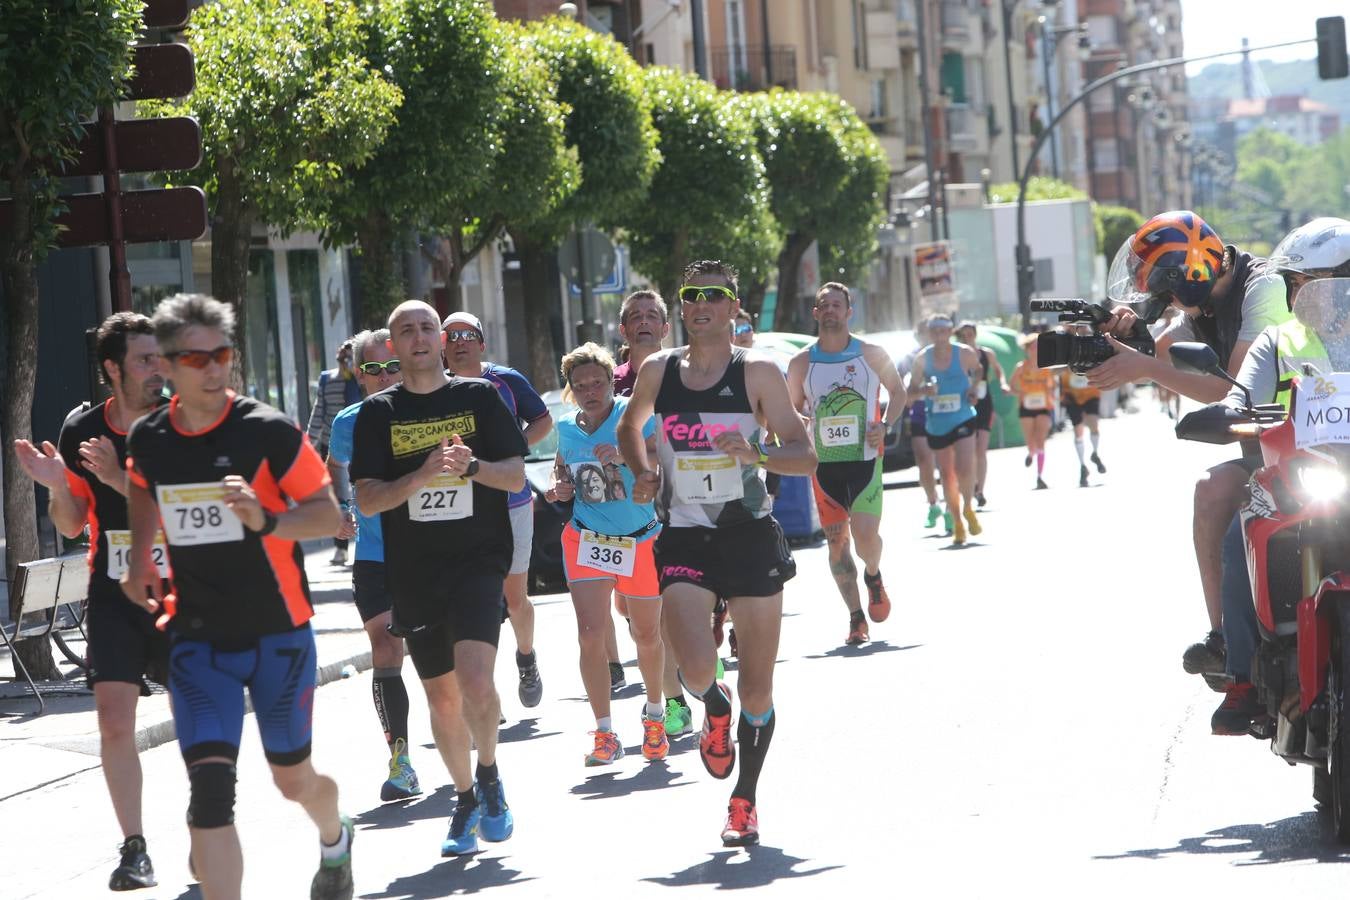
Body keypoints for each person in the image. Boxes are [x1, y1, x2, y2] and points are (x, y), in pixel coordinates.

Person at [119, 294, 351, 900]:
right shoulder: (150, 438)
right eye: (197, 358)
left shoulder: (266, 431)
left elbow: (328, 515)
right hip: (197, 638)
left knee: (293, 780)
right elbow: (142, 488)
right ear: (166, 365)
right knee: (210, 794)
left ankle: (335, 836)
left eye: (222, 354)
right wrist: (143, 552)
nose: (214, 368)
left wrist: (266, 517)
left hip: (279, 633)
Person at [618, 259, 817, 847]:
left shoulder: (756, 372)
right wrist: (644, 470)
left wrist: (756, 457)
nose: (700, 304)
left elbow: (804, 455)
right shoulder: (658, 371)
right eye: (691, 295)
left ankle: (745, 800)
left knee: (760, 687)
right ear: (682, 307)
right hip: (684, 533)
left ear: (733, 307)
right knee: (695, 663)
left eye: (714, 295)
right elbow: (632, 427)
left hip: (749, 534)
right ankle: (712, 703)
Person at [351, 301, 527, 857]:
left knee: (476, 681)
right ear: (394, 347)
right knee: (443, 699)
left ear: (443, 340)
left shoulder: (478, 398)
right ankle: (467, 797)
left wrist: (471, 468)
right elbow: (367, 498)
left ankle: (491, 774)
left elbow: (516, 475)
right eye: (407, 330)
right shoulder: (377, 414)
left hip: (478, 559)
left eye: (428, 327)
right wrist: (422, 473)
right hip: (414, 570)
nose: (420, 337)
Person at [1087, 211, 1290, 694]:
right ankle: (1224, 641)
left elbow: (1234, 386)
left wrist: (1143, 367)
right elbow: (1155, 349)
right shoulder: (1200, 310)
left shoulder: (1262, 290)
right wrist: (1110, 340)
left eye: (1165, 288)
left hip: (1310, 438)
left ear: (1193, 271)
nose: (1165, 301)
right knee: (1210, 490)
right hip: (1265, 449)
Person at [12, 313, 168, 891]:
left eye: (162, 357)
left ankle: (210, 824)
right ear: (113, 369)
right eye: (146, 360)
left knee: (205, 711)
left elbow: (185, 509)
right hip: (114, 586)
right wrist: (57, 484)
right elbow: (74, 522)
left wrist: (117, 479)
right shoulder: (82, 428)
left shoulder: (182, 422)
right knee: (112, 721)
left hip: (186, 586)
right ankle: (135, 848)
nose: (159, 369)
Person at [1208, 217, 1350, 734]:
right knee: (1237, 535)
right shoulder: (1277, 340)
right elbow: (1241, 393)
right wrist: (1228, 412)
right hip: (1302, 475)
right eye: (1296, 285)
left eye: (1312, 285)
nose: (1302, 296)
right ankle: (1244, 680)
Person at [545, 343, 669, 765]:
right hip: (587, 539)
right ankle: (604, 732)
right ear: (571, 390)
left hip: (640, 537)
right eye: (580, 386)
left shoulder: (629, 415)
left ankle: (655, 716)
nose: (590, 390)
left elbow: (661, 458)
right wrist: (559, 486)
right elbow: (562, 469)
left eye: (597, 382)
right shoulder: (565, 427)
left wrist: (624, 455)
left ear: (609, 381)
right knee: (589, 634)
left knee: (646, 635)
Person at [325, 328, 421, 801]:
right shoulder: (349, 421)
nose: (383, 377)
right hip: (375, 555)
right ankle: (400, 759)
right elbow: (334, 468)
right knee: (385, 647)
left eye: (391, 367)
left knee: (437, 656)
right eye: (373, 369)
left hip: (429, 552)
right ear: (359, 375)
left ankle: (469, 726)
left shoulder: (430, 408)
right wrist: (340, 511)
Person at [441, 311, 552, 709]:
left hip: (511, 503)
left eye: (467, 335)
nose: (459, 342)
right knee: (472, 602)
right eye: (450, 336)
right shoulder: (434, 387)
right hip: (459, 507)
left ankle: (526, 658)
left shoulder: (505, 379)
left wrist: (511, 449)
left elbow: (543, 420)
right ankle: (483, 694)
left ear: (482, 343)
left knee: (514, 596)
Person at [787, 282, 906, 644]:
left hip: (865, 459)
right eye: (823, 305)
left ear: (848, 312)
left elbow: (898, 392)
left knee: (865, 535)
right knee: (837, 543)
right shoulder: (802, 362)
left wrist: (884, 425)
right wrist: (802, 424)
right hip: (824, 467)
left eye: (836, 305)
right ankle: (856, 617)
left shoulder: (871, 353)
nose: (830, 311)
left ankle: (873, 573)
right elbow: (791, 407)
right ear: (815, 313)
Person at [613, 290, 693, 736]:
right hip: (626, 509)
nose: (644, 322)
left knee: (671, 607)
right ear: (623, 330)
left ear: (666, 329)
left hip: (683, 502)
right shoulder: (608, 382)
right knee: (634, 608)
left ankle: (676, 699)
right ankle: (678, 676)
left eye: (652, 317)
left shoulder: (687, 372)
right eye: (635, 317)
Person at [909, 315, 983, 545]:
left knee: (964, 467)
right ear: (929, 334)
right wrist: (924, 391)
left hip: (962, 416)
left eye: (943, 330)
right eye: (935, 331)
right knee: (948, 474)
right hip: (937, 422)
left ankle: (968, 507)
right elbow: (911, 392)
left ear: (950, 331)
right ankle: (957, 521)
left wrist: (972, 389)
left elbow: (979, 371)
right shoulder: (922, 359)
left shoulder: (964, 353)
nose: (939, 335)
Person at [306, 339, 362, 565]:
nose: (345, 361)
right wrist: (308, 444)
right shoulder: (327, 379)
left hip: (357, 444)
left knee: (357, 492)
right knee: (338, 497)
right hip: (330, 444)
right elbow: (319, 412)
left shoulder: (362, 380)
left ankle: (360, 536)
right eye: (342, 357)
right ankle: (341, 546)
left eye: (350, 358)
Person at [954, 321, 1009, 507]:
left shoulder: (986, 353)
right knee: (965, 449)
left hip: (984, 402)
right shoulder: (956, 354)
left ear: (975, 334)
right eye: (964, 334)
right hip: (962, 402)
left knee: (981, 449)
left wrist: (1002, 383)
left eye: (970, 333)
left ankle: (980, 490)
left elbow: (998, 370)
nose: (967, 337)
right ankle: (968, 485)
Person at [902, 317, 944, 530]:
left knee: (946, 465)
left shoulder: (947, 355)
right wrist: (922, 391)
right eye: (923, 332)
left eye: (931, 331)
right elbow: (906, 396)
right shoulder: (910, 359)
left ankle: (951, 507)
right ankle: (933, 504)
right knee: (924, 461)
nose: (928, 336)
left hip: (945, 416)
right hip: (920, 415)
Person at [1010, 334, 1056, 490]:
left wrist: (1050, 393)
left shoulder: (1046, 367)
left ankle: (1040, 476)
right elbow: (1012, 385)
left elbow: (1052, 386)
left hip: (1044, 407)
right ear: (1027, 349)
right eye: (1034, 346)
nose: (1036, 349)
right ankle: (1031, 453)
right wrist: (1020, 393)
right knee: (1031, 441)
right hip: (1026, 407)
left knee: (1041, 440)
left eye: (1039, 346)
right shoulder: (1021, 367)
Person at [1058, 366, 1106, 487]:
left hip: (1091, 394)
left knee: (1094, 424)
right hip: (1072, 396)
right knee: (1078, 431)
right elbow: (1053, 370)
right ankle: (1082, 466)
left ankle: (1095, 454)